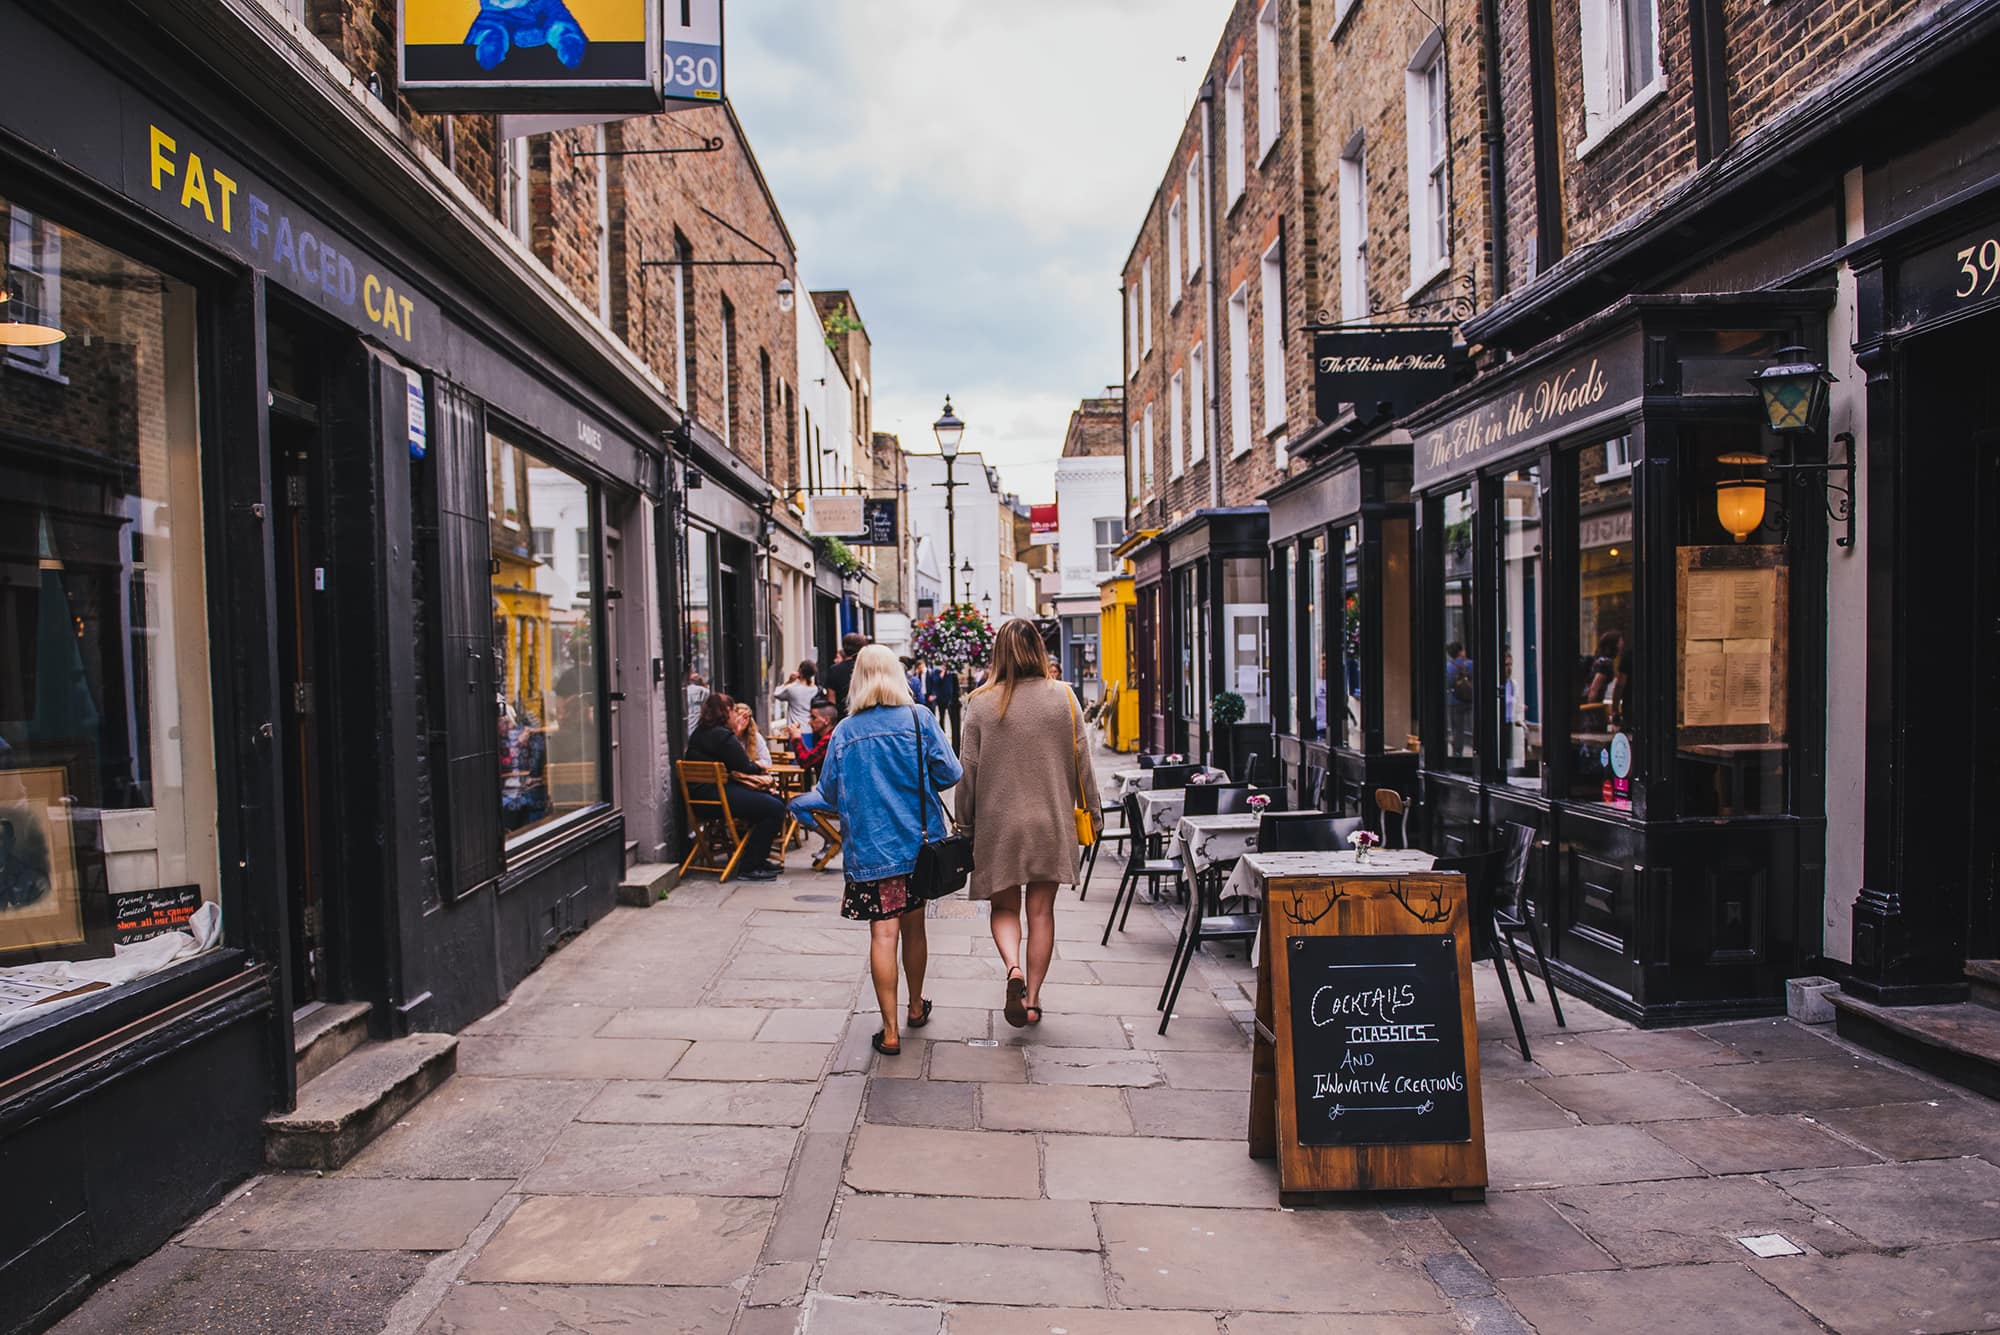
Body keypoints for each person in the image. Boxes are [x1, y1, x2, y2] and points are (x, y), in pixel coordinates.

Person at [789, 645, 961, 1056]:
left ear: (858, 681)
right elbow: (951, 772)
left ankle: (889, 1031)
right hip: (918, 846)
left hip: (872, 850)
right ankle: (916, 1008)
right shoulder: (920, 719)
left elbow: (829, 792)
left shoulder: (846, 731)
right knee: (914, 929)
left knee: (883, 934)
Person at [957, 618, 1101, 1029]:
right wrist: (1095, 812)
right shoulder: (1065, 698)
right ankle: (1034, 1000)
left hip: (998, 823)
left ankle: (1013, 969)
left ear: (998, 654)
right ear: (1039, 650)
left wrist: (965, 825)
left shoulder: (981, 703)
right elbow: (1083, 765)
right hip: (1051, 821)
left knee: (1004, 906)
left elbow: (968, 771)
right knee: (1041, 912)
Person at [685, 693, 786, 881]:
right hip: (715, 798)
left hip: (701, 797)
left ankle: (758, 858)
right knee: (775, 807)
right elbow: (745, 766)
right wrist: (761, 766)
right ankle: (749, 866)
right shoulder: (722, 735)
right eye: (733, 712)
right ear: (728, 711)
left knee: (771, 802)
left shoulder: (700, 733)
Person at [824, 632, 868, 714]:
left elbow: (831, 700)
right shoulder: (867, 668)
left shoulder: (834, 670)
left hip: (842, 715)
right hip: (864, 712)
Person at [1444, 642, 1475, 759]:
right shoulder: (1470, 664)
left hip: (1454, 701)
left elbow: (1448, 684)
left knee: (1457, 729)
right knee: (1473, 726)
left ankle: (1458, 754)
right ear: (1461, 652)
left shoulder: (1449, 667)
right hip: (1469, 700)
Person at [773, 661, 818, 732]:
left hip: (795, 729)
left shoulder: (792, 688)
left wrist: (789, 681)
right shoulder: (815, 689)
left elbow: (777, 694)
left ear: (800, 671)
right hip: (810, 728)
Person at [928, 661, 962, 749]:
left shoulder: (951, 674)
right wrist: (942, 673)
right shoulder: (937, 672)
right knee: (941, 716)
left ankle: (954, 741)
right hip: (941, 698)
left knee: (953, 718)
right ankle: (942, 732)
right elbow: (936, 682)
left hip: (949, 698)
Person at [730, 700, 772, 769]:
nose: (742, 720)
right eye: (739, 716)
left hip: (749, 774)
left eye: (745, 717)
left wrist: (750, 764)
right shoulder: (727, 736)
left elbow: (767, 762)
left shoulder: (756, 737)